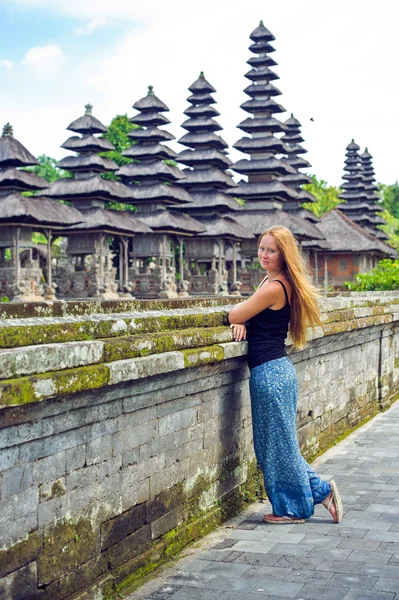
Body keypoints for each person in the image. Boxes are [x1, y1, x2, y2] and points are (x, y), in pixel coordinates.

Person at [228, 225, 343, 524]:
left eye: (271, 250)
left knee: (277, 447)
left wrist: (240, 319)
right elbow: (249, 316)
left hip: (270, 376)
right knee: (277, 445)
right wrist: (246, 324)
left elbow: (234, 313)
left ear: (283, 255)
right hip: (274, 372)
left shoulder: (274, 287)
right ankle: (320, 492)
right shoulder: (276, 282)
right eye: (262, 248)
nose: (264, 255)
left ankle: (294, 509)